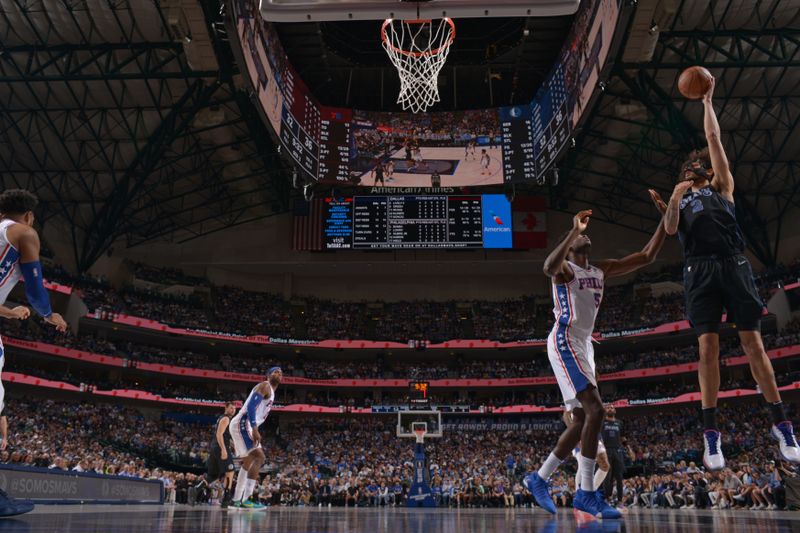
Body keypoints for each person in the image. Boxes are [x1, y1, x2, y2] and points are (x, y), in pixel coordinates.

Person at [662, 75, 800, 470]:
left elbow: (715, 140)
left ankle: (782, 424)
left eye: (698, 162)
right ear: (683, 174)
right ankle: (711, 435)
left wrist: (707, 103)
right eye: (690, 166)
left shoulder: (722, 186)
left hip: (733, 264)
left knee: (753, 344)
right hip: (699, 271)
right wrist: (673, 196)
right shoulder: (681, 199)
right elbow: (671, 229)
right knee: (708, 348)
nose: (696, 165)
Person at [524, 196, 667, 519]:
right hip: (565, 339)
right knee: (597, 410)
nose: (587, 235)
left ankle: (539, 477)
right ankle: (586, 493)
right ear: (572, 245)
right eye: (579, 237)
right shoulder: (565, 270)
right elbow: (547, 267)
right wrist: (572, 231)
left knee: (580, 422)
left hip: (584, 344)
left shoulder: (600, 269)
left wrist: (665, 220)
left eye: (586, 234)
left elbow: (646, 256)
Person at [0, 189, 67, 517]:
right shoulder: (25, 233)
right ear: (28, 215)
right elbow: (35, 288)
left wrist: (9, 312)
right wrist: (47, 313)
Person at [229, 367, 282, 510]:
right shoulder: (265, 386)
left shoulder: (271, 393)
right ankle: (247, 499)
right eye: (275, 372)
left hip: (245, 424)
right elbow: (252, 406)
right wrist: (254, 428)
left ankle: (236, 500)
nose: (278, 374)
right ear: (268, 375)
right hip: (244, 422)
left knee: (248, 462)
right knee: (260, 458)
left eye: (280, 373)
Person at [207, 401, 236, 508]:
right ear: (226, 408)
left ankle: (197, 489)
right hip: (220, 447)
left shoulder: (222, 418)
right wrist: (224, 449)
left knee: (213, 475)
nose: (233, 410)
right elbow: (219, 434)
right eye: (231, 408)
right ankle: (226, 499)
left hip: (216, 447)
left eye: (234, 408)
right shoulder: (226, 418)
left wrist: (233, 446)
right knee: (230, 471)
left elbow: (224, 436)